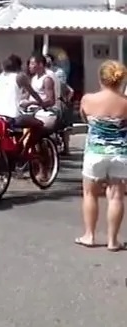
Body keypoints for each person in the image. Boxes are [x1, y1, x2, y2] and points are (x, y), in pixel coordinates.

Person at [76, 60, 127, 252]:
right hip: (120, 153)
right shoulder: (125, 102)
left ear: (101, 78)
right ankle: (113, 241)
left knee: (90, 193)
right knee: (116, 197)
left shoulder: (88, 99)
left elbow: (84, 117)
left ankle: (89, 235)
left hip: (95, 153)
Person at [0, 54, 46, 148]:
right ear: (19, 66)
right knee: (39, 124)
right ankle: (28, 146)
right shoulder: (20, 76)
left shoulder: (0, 77)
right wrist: (43, 104)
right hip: (13, 117)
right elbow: (33, 93)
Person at [45, 53, 74, 155]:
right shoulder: (40, 74)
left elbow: (63, 87)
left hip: (58, 100)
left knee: (64, 126)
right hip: (47, 102)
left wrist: (65, 100)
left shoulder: (58, 72)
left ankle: (66, 148)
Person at [25, 52, 60, 131]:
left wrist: (31, 103)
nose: (29, 66)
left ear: (40, 64)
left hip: (42, 112)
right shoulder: (33, 78)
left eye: (32, 63)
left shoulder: (47, 79)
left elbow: (50, 100)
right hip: (32, 111)